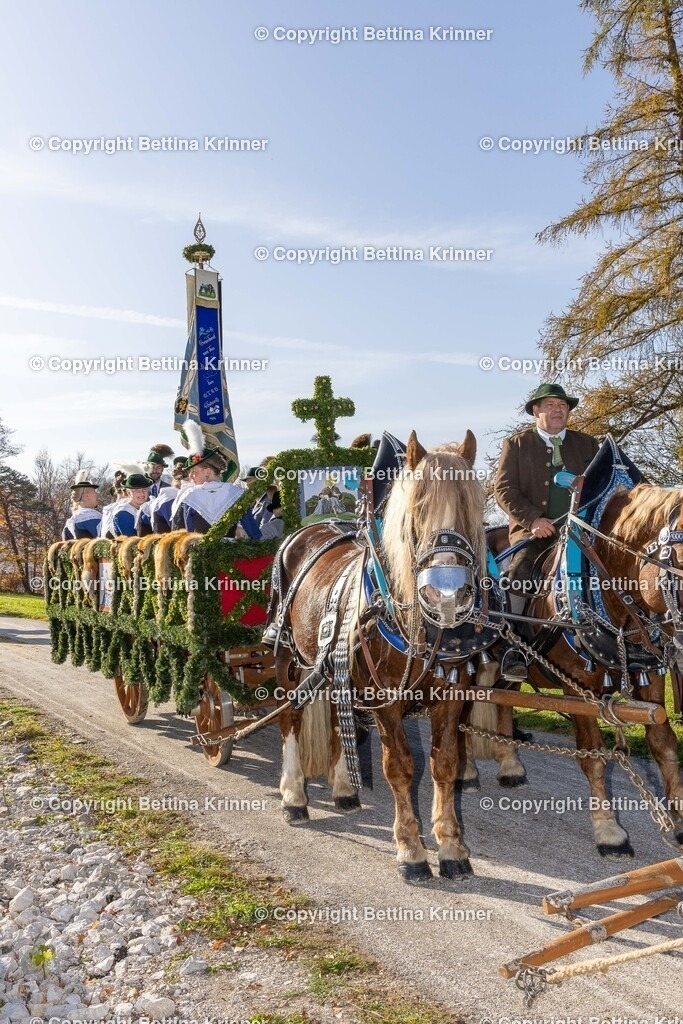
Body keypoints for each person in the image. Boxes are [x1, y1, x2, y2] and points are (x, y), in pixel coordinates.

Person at [494, 382, 600, 678]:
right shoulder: (516, 445)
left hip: (582, 533)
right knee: (519, 574)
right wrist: (533, 520)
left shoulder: (588, 444)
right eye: (551, 405)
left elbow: (602, 486)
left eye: (563, 406)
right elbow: (503, 489)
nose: (558, 410)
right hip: (535, 534)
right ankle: (513, 648)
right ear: (536, 411)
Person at [171, 419, 261, 537]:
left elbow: (180, 533)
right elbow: (252, 531)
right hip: (232, 553)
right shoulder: (236, 493)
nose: (190, 476)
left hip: (198, 553)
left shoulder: (189, 495)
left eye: (193, 471)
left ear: (207, 472)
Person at [108, 465, 153, 537]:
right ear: (128, 493)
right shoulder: (123, 512)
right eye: (136, 490)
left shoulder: (147, 508)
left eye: (144, 489)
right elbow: (131, 541)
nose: (141, 493)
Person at [149, 456, 188, 534]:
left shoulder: (169, 489)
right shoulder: (170, 496)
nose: (155, 470)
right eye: (152, 467)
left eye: (158, 467)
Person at [62, 470, 102, 540]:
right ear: (86, 496)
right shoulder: (91, 516)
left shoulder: (73, 519)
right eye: (94, 492)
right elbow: (105, 539)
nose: (96, 494)